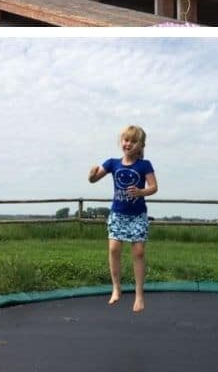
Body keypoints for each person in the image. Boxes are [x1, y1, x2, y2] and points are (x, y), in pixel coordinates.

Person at [87, 125, 158, 312]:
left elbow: (154, 187)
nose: (129, 144)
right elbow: (94, 179)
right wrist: (91, 174)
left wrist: (141, 191)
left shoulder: (144, 165)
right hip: (118, 214)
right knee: (114, 249)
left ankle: (139, 295)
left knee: (139, 252)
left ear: (140, 145)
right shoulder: (112, 163)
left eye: (134, 141)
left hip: (137, 215)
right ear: (121, 142)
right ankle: (116, 289)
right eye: (126, 140)